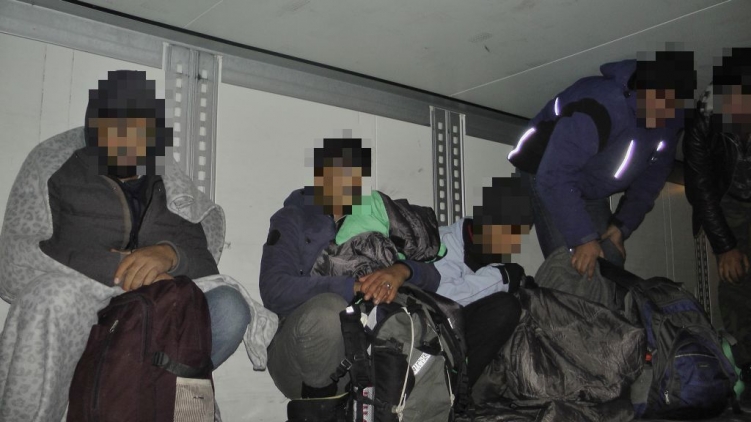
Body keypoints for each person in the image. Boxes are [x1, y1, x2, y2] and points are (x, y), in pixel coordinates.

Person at [0, 70, 257, 421]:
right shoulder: (60, 168)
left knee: (229, 306)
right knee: (51, 298)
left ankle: (160, 400)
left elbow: (204, 260)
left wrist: (169, 255)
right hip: (82, 308)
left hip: (149, 318)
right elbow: (24, 252)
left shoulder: (166, 182)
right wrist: (127, 271)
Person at [260, 138, 442, 421]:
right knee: (331, 311)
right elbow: (274, 289)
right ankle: (323, 411)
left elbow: (433, 277)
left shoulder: (371, 217)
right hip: (299, 354)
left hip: (365, 354)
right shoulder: (292, 217)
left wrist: (399, 271)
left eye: (354, 174)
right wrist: (353, 286)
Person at [508, 51, 696, 281]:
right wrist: (583, 239)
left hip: (588, 188)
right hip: (542, 169)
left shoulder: (669, 124)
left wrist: (621, 226)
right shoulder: (602, 105)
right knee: (573, 267)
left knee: (609, 262)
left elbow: (650, 181)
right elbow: (554, 174)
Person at [684, 47, 751, 384]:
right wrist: (725, 247)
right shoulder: (704, 122)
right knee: (736, 277)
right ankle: (747, 362)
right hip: (729, 203)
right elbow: (701, 188)